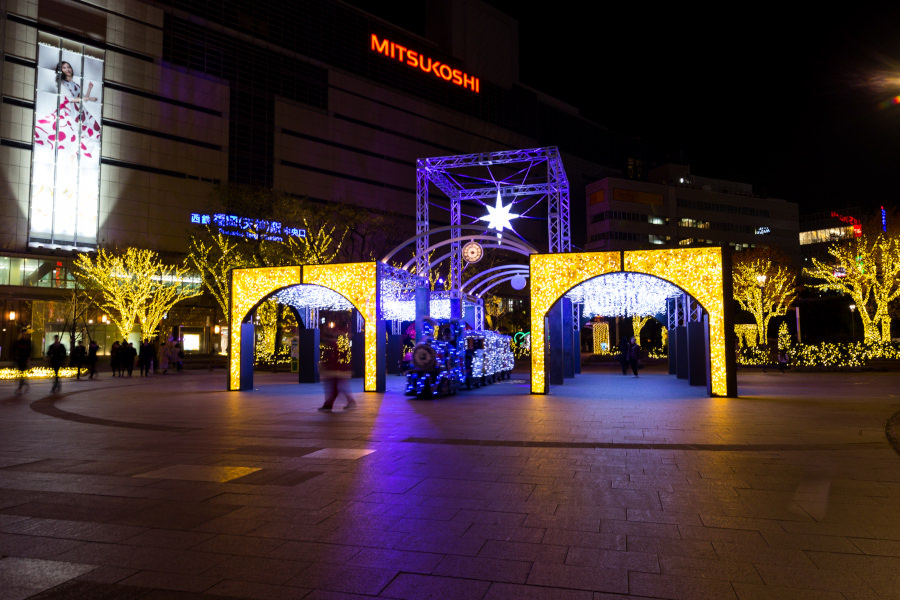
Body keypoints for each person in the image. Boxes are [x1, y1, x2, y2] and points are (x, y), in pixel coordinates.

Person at [33, 61, 100, 160]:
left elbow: (83, 98)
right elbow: (70, 99)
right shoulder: (62, 83)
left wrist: (89, 89)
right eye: (64, 68)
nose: (67, 69)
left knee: (84, 134)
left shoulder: (76, 85)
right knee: (72, 136)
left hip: (79, 111)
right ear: (61, 71)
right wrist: (87, 99)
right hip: (69, 110)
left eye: (68, 67)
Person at [318, 339, 356, 412]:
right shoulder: (337, 349)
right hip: (337, 372)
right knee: (340, 388)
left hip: (335, 372)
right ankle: (350, 401)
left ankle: (328, 405)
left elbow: (331, 361)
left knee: (336, 389)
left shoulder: (332, 349)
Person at [13, 329, 32, 395]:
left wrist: (28, 360)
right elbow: (14, 348)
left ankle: (20, 388)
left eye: (24, 334)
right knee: (21, 373)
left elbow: (29, 351)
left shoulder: (28, 342)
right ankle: (24, 383)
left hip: (24, 360)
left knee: (21, 373)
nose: (23, 335)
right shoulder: (19, 341)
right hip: (19, 359)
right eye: (22, 334)